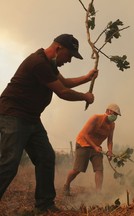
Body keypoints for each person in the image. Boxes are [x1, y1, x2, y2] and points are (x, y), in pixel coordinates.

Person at [0, 34, 98, 213]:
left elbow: (65, 82)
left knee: (46, 157)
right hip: (13, 115)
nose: (69, 60)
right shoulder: (39, 63)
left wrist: (87, 78)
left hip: (31, 118)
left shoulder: (50, 64)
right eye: (69, 55)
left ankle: (44, 206)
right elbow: (63, 92)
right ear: (59, 48)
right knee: (10, 162)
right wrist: (85, 96)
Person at [63, 103, 121, 196]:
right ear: (107, 111)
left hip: (96, 147)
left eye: (116, 115)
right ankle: (66, 185)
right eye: (114, 113)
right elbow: (85, 134)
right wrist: (94, 146)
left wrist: (110, 151)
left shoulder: (112, 125)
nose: (115, 116)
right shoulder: (96, 118)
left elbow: (110, 140)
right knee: (77, 169)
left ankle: (98, 193)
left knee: (99, 169)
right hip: (83, 144)